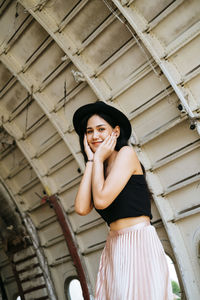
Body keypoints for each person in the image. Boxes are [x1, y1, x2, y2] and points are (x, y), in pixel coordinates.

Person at [73, 101, 173, 300]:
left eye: (101, 129)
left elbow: (101, 201)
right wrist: (92, 162)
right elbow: (82, 208)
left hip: (138, 242)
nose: (95, 136)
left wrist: (99, 159)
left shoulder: (126, 154)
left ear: (115, 132)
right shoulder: (97, 168)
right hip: (115, 245)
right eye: (89, 131)